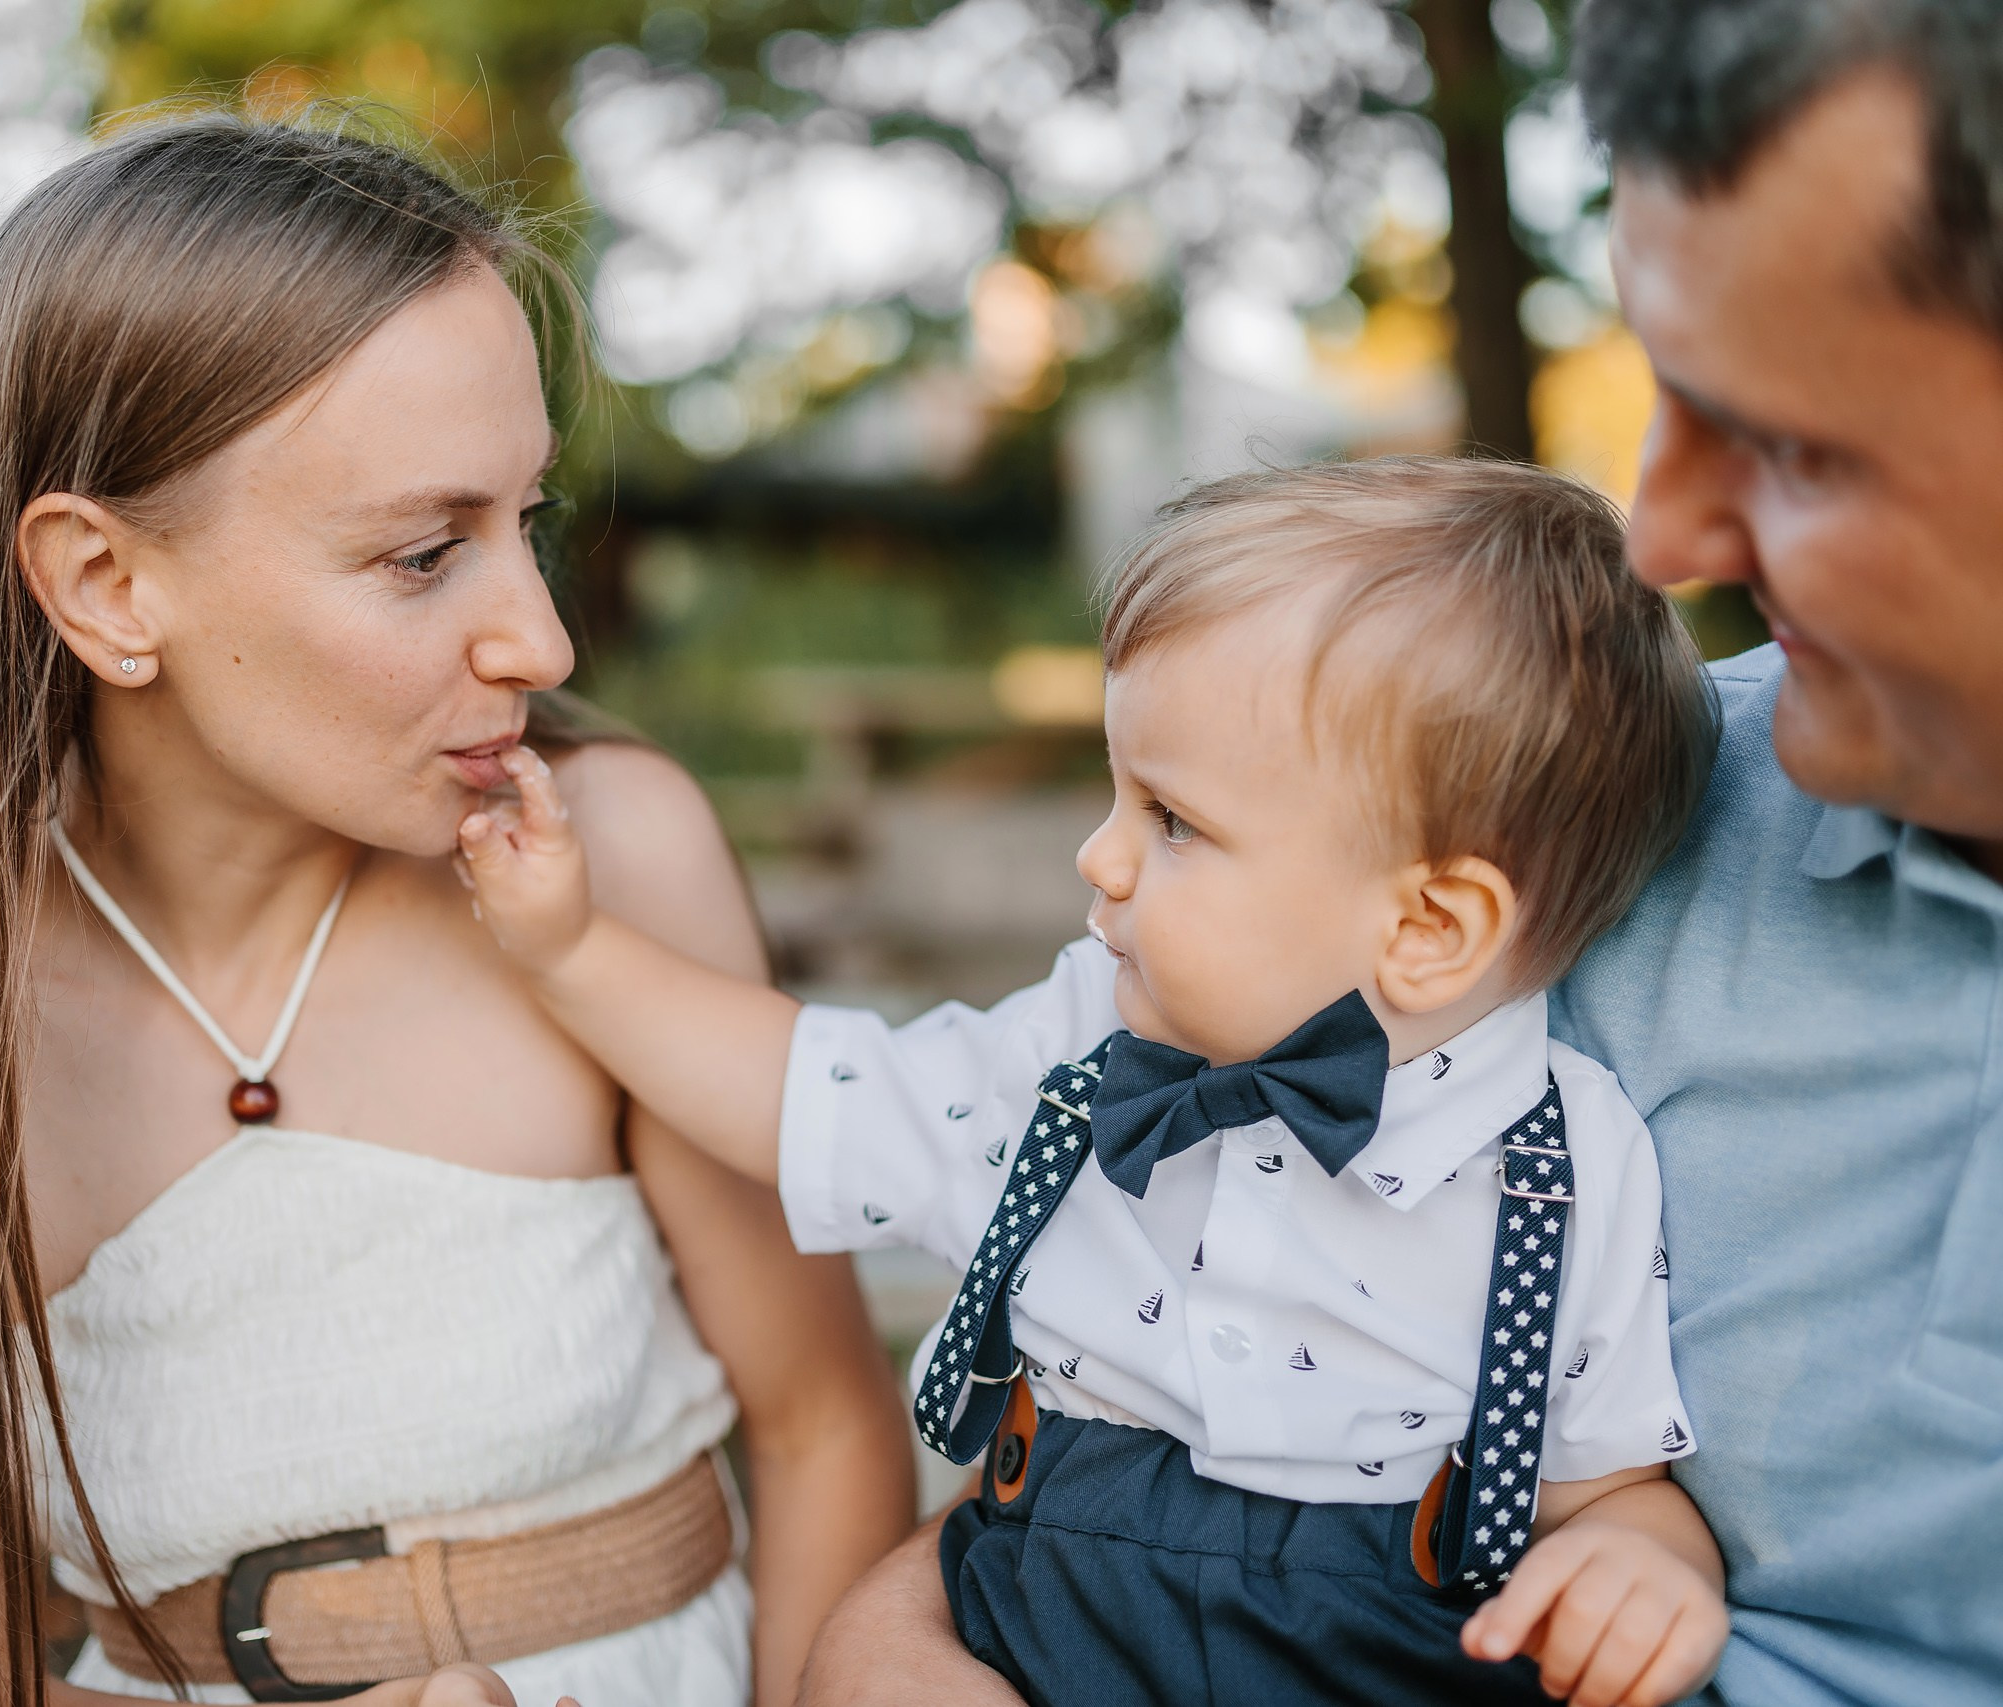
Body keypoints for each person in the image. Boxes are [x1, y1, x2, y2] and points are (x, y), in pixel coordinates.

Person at [793, 3, 2003, 1704]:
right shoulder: (1609, 803)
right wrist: (901, 1638)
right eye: (1675, 394)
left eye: (1799, 443)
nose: (1666, 533)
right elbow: (1161, 1412)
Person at [0, 116, 915, 1707]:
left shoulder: (610, 861)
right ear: (105, 585)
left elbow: (827, 1423)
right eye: (426, 552)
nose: (544, 641)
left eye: (528, 522)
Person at [453, 457, 1733, 1706]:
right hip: (1029, 1625)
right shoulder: (1074, 1049)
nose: (1101, 856)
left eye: (1170, 820)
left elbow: (1606, 1481)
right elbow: (807, 1096)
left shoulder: (1560, 1166)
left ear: (1428, 927)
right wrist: (574, 951)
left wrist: (1642, 1567)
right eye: (1118, 797)